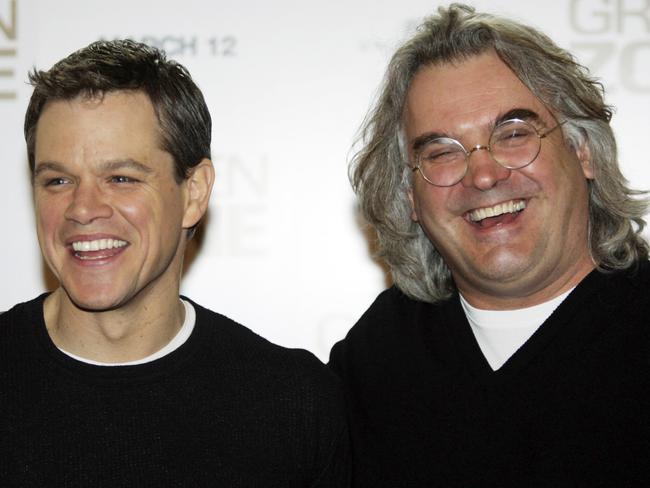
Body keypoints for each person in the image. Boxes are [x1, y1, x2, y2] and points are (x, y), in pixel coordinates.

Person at [0, 39, 349, 486]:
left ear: (194, 192)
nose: (82, 208)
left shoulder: (293, 404)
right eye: (58, 180)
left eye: (121, 178)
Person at [329, 4, 650, 486]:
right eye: (440, 153)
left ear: (583, 151)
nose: (482, 175)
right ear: (410, 196)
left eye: (514, 133)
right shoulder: (372, 363)